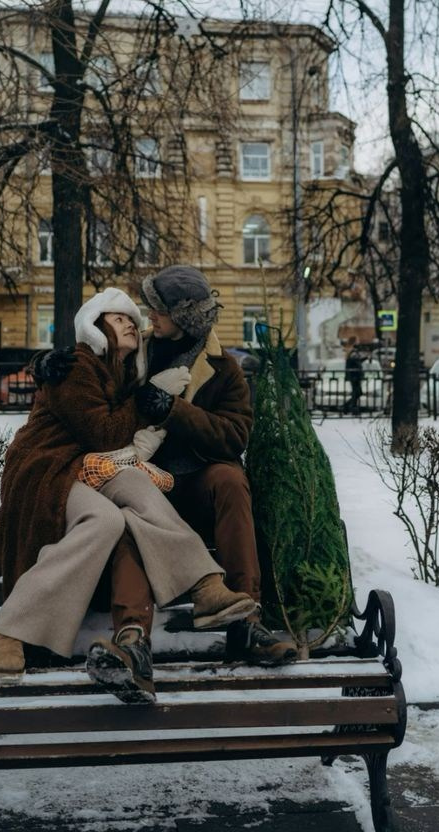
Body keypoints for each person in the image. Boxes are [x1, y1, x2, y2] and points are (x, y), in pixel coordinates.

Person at [0, 287, 256, 702]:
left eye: (133, 318)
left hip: (96, 465)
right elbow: (105, 432)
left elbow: (115, 438)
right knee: (106, 520)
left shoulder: (124, 370)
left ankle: (205, 586)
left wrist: (157, 401)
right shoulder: (79, 363)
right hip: (49, 468)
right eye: (118, 319)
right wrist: (150, 401)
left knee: (137, 484)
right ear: (95, 329)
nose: (132, 322)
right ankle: (12, 629)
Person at [112, 265, 297, 667]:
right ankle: (131, 641)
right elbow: (91, 380)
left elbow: (234, 436)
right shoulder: (134, 354)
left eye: (158, 309)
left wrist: (175, 411)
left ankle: (246, 622)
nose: (150, 315)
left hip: (196, 486)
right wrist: (51, 367)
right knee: (127, 509)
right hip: (143, 483)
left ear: (183, 317)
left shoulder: (224, 368)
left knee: (230, 478)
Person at [343, 343, 364, 414]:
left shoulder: (353, 354)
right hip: (355, 377)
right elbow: (356, 362)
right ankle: (350, 407)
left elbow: (357, 362)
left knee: (357, 393)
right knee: (356, 393)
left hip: (355, 377)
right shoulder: (354, 354)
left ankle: (347, 406)